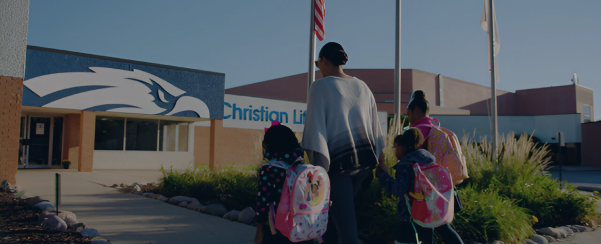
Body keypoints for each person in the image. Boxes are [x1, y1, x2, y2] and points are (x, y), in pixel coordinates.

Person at [302, 42, 386, 244]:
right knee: (332, 223)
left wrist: (316, 169)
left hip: (338, 166)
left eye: (317, 63)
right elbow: (376, 128)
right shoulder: (362, 86)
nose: (317, 67)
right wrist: (381, 162)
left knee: (347, 232)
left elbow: (315, 129)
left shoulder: (320, 86)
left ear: (323, 60)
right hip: (365, 164)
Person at [407, 90, 464, 244]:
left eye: (409, 113)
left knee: (431, 227)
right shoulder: (435, 129)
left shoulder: (416, 132)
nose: (408, 117)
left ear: (416, 110)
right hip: (439, 185)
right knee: (438, 225)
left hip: (423, 187)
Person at [254, 122, 313, 244]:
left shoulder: (270, 168)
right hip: (302, 227)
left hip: (277, 228)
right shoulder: (302, 169)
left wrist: (259, 230)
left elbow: (263, 202)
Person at [376, 128, 435, 244]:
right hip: (428, 214)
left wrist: (382, 176)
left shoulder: (405, 165)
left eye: (395, 147)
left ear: (401, 147)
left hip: (409, 216)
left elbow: (399, 189)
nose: (395, 151)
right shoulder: (428, 161)